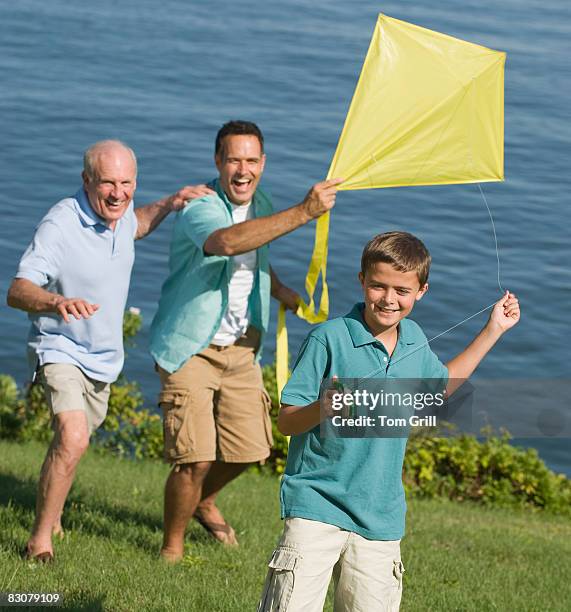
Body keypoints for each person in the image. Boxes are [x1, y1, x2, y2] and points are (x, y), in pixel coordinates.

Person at [258, 231, 520, 612]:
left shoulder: (414, 340)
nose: (389, 299)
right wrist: (322, 408)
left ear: (421, 291)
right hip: (316, 506)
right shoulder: (327, 339)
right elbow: (286, 422)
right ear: (362, 280)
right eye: (378, 286)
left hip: (380, 516)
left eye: (401, 290)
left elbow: (441, 387)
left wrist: (493, 329)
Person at [6, 140, 214, 562]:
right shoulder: (61, 223)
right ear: (87, 182)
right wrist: (56, 303)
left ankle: (55, 512)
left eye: (126, 183)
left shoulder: (119, 216)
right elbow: (17, 290)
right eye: (107, 183)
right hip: (59, 345)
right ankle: (39, 543)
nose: (118, 193)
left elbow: (135, 223)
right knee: (73, 436)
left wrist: (171, 203)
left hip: (103, 358)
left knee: (73, 440)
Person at [149, 120, 342, 561]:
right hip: (190, 347)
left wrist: (284, 293)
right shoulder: (201, 206)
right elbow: (227, 243)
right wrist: (304, 212)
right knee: (194, 459)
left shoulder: (264, 204)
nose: (242, 169)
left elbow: (256, 254)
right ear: (217, 161)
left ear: (263, 164)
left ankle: (201, 500)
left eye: (251, 160)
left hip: (242, 348)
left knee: (250, 449)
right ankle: (171, 551)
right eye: (233, 159)